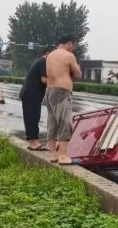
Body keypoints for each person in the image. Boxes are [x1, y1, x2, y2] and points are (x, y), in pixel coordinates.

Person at [45, 34, 82, 165]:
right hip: (62, 91)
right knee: (64, 122)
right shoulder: (68, 55)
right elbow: (78, 74)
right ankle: (63, 156)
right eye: (73, 45)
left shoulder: (50, 55)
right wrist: (77, 69)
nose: (74, 48)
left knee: (52, 122)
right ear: (69, 43)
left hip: (49, 90)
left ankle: (54, 155)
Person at [19, 45, 53, 151]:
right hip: (32, 94)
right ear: (47, 53)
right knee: (32, 117)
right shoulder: (43, 62)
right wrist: (58, 84)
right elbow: (44, 80)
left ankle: (33, 142)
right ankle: (34, 143)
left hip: (31, 93)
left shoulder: (39, 61)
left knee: (32, 117)